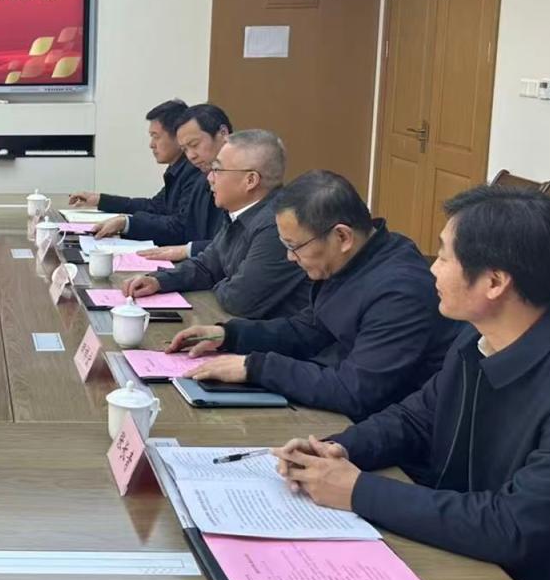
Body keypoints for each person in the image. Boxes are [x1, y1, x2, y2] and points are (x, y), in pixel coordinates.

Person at [274, 186, 550, 580]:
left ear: (494, 282)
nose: (432, 268)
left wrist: (355, 490)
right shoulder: (479, 336)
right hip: (490, 567)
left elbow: (512, 526)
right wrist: (337, 449)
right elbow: (417, 418)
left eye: (445, 257)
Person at [168, 170, 456, 420]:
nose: (290, 258)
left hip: (382, 428)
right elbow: (308, 330)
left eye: (294, 246)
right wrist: (229, 335)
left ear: (342, 237)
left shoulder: (400, 291)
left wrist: (255, 368)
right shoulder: (354, 260)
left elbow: (355, 390)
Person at [121, 130, 308, 320]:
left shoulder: (277, 225)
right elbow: (206, 266)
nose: (209, 178)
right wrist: (159, 281)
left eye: (217, 170)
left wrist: (219, 281)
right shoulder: (238, 212)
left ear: (250, 180)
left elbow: (239, 299)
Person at [68, 99, 196, 227]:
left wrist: (127, 224)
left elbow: (179, 226)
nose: (151, 145)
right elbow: (154, 207)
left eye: (156, 136)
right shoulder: (177, 169)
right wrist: (99, 200)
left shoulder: (193, 172)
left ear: (179, 136)